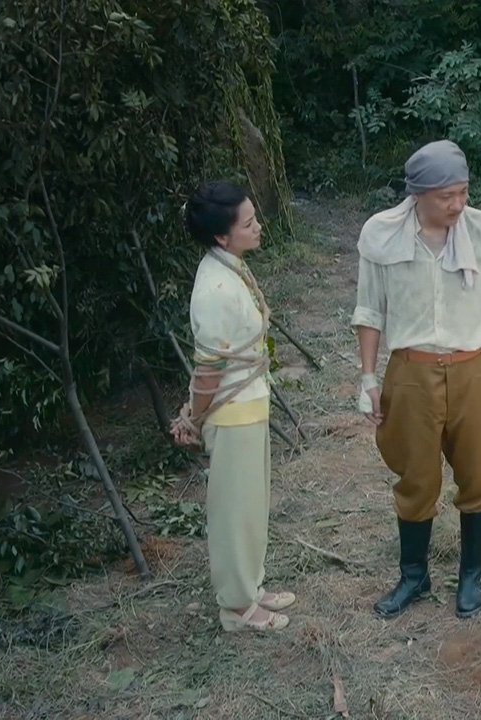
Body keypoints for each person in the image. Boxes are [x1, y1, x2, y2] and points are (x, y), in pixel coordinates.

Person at [351, 139, 481, 620]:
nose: (457, 205)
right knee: (416, 476)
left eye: (463, 193)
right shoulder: (382, 235)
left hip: (471, 367)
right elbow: (369, 311)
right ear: (418, 193)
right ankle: (413, 577)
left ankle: (471, 577)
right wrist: (367, 377)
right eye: (446, 196)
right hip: (411, 371)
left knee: (480, 473)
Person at [170, 180, 295, 632]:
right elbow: (208, 372)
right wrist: (193, 417)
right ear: (222, 236)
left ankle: (251, 586)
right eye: (248, 223)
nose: (258, 227)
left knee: (251, 505)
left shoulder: (231, 267)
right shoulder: (216, 289)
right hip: (232, 412)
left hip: (249, 404)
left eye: (254, 217)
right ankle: (237, 606)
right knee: (234, 512)